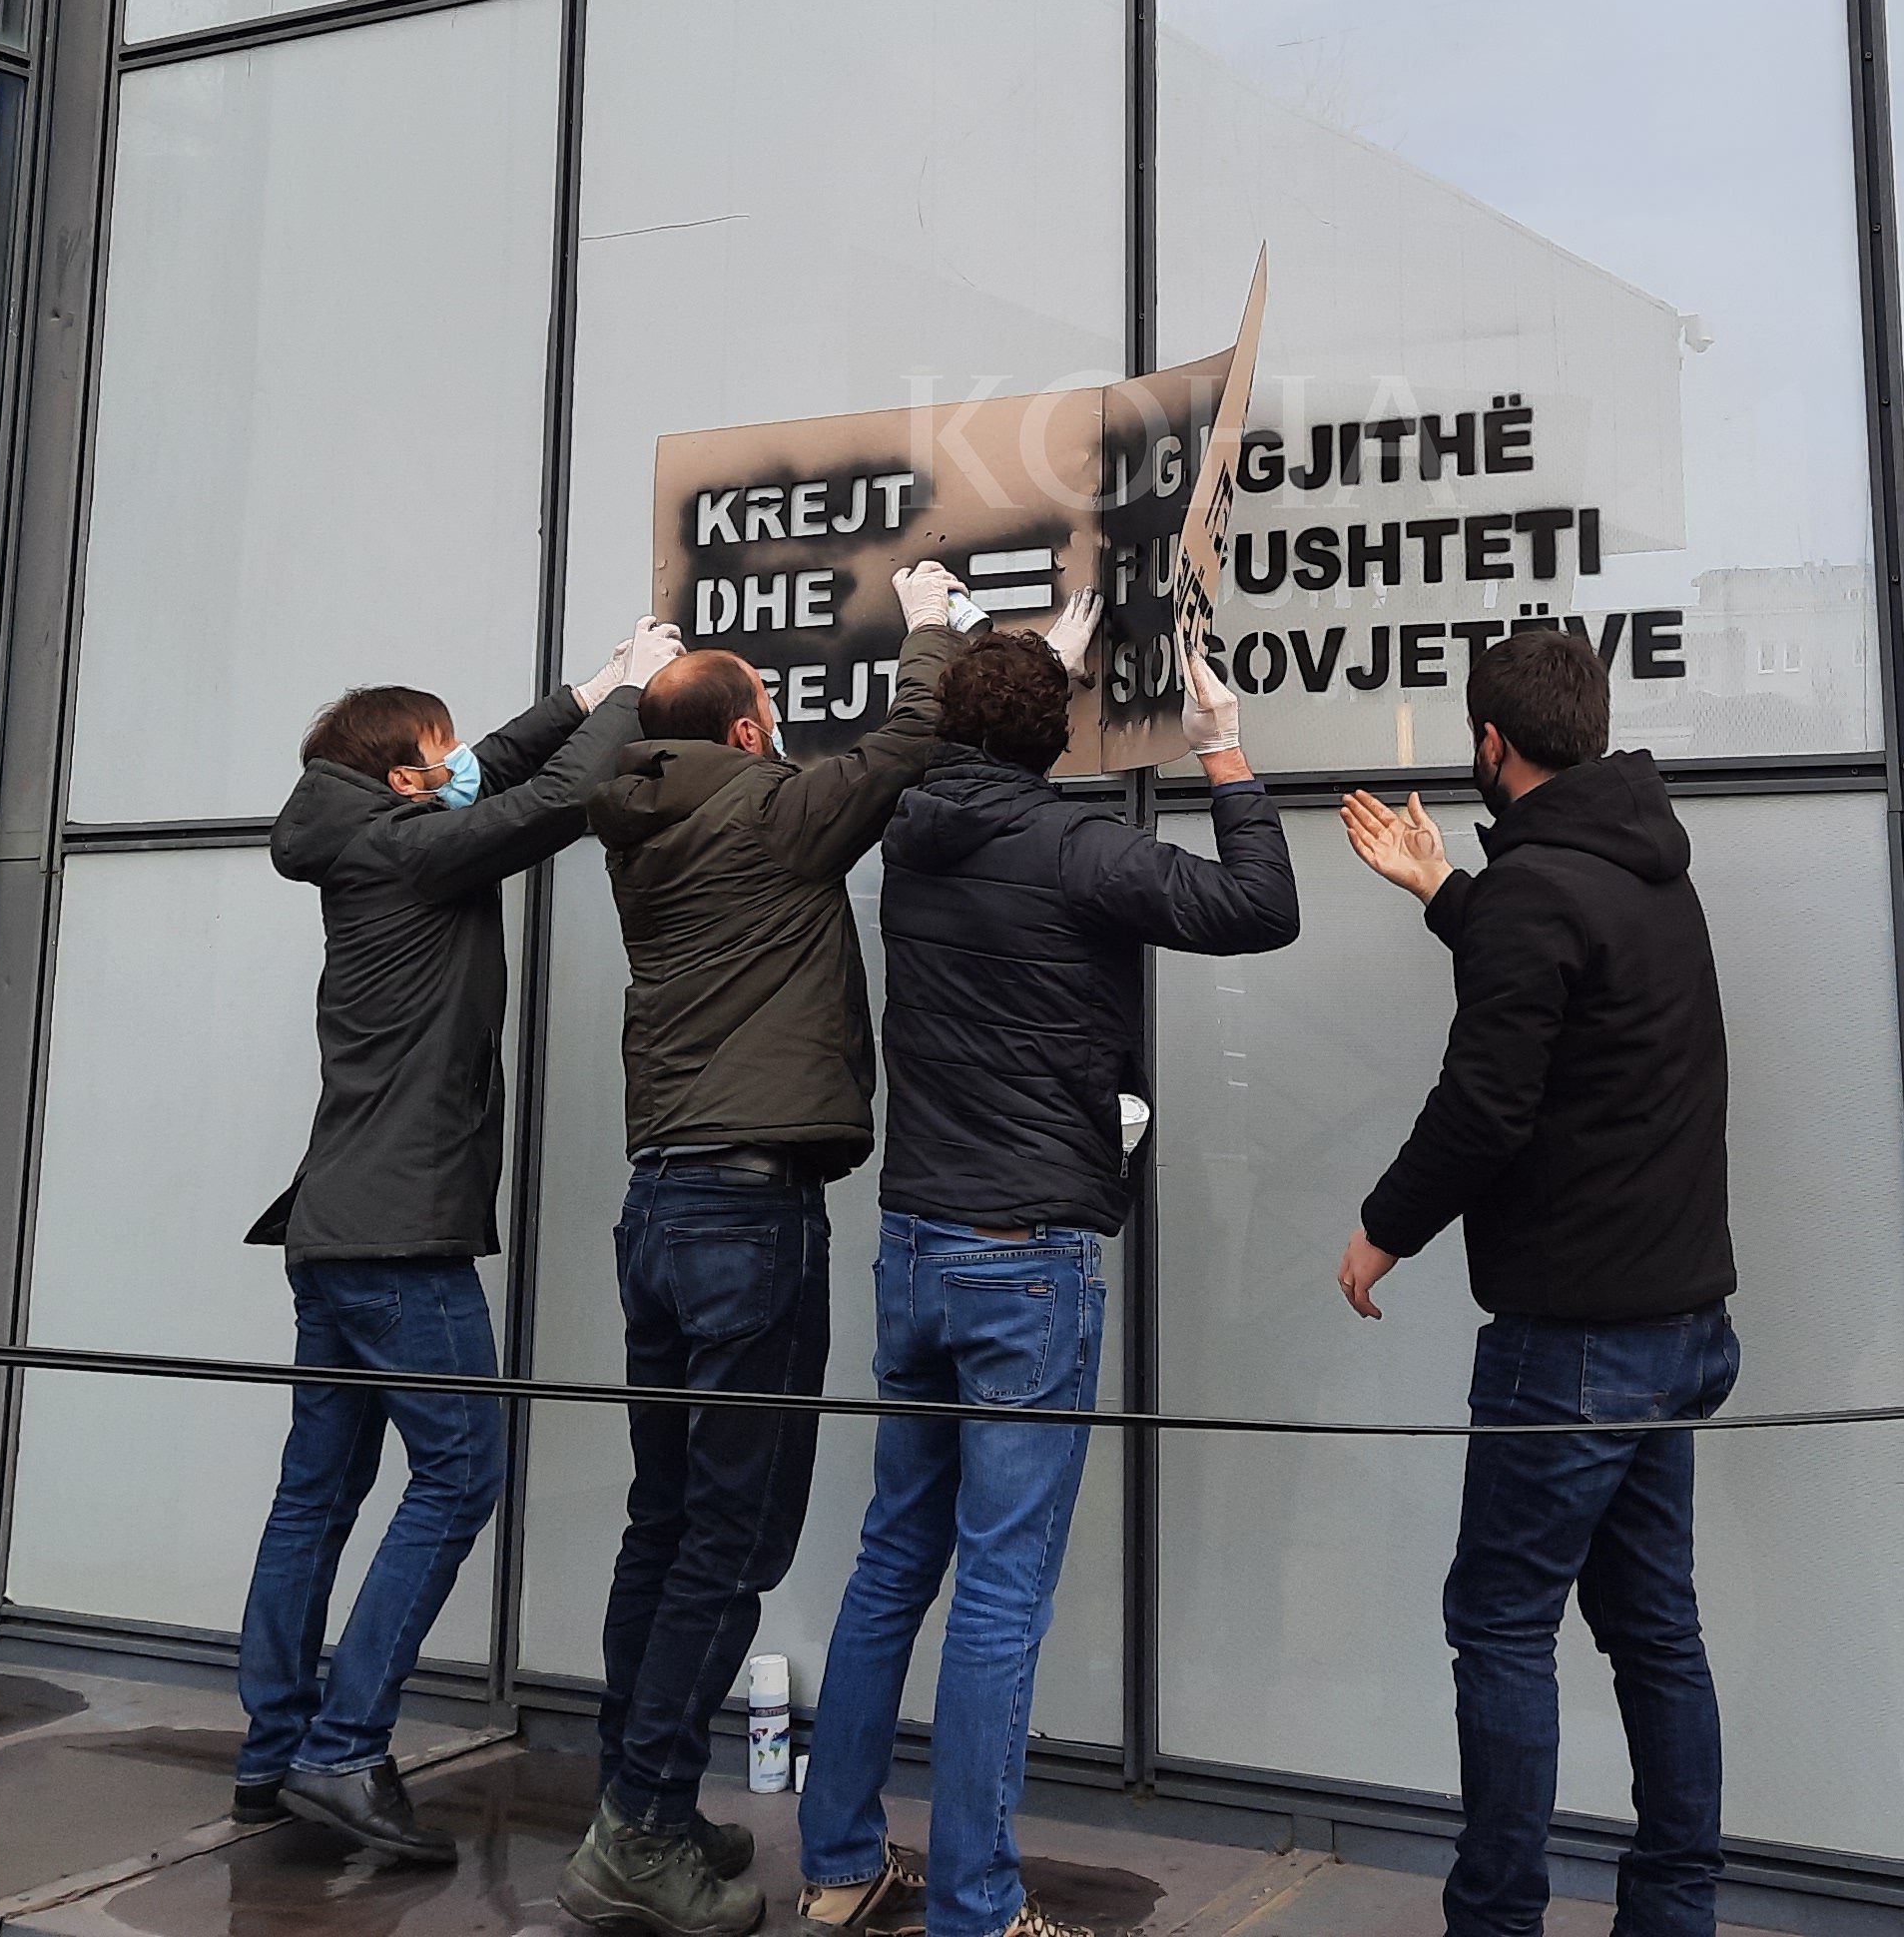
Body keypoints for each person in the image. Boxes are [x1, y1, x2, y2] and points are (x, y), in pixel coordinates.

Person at [800, 609, 1299, 1937]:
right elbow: (1262, 908)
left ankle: (839, 1866)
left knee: (891, 1564)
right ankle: (976, 1907)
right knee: (1000, 1588)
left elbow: (978, 758)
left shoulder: (910, 834)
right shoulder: (1077, 847)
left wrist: (1033, 671)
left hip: (916, 1241)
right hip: (1025, 1259)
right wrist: (1222, 747)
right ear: (1060, 735)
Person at [563, 563, 967, 1937]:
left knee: (665, 1520)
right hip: (748, 1218)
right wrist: (928, 625)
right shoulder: (769, 810)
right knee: (730, 1542)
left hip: (662, 1209)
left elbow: (619, 753)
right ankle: (640, 1833)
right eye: (773, 716)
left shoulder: (634, 820)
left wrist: (619, 689)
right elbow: (910, 742)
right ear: (746, 731)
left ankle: (637, 1804)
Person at [241, 618, 683, 1861]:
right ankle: (343, 1752)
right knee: (459, 1475)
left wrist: (588, 689)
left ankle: (274, 1751)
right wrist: (639, 696)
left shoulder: (371, 833)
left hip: (334, 1229)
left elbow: (490, 765)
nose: (454, 767)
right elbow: (559, 799)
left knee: (316, 1493)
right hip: (400, 1237)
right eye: (432, 756)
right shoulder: (409, 852)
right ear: (400, 778)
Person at [1333, 629, 1738, 1937]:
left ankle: (1496, 1921)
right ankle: (1672, 1915)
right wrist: (1445, 890)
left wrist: (1382, 1229)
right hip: (1677, 1326)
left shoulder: (1538, 891)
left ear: (1490, 743)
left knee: (1503, 1627)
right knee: (1654, 1632)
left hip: (1571, 1345)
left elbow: (1486, 1105)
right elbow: (1569, 985)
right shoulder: (1649, 870)